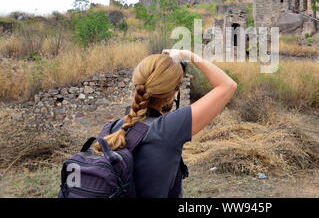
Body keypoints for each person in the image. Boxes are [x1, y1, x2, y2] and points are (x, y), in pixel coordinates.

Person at [93, 49, 237, 198]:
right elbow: (227, 85)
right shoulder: (168, 128)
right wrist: (188, 55)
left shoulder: (111, 128)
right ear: (173, 92)